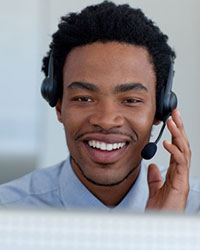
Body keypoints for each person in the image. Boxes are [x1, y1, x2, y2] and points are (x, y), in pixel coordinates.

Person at [0, 1, 199, 212]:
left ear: (160, 110)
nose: (106, 120)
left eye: (130, 100)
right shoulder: (8, 210)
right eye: (84, 98)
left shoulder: (193, 212)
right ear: (58, 105)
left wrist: (167, 233)